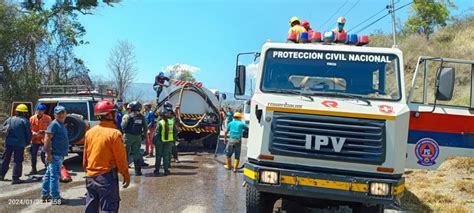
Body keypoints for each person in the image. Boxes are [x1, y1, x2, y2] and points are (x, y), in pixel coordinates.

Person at [83, 100, 130, 213]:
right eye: (114, 113)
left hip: (90, 176)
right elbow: (120, 158)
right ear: (109, 115)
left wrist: (88, 171)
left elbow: (86, 156)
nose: (116, 115)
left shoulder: (90, 132)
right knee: (108, 209)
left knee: (90, 208)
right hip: (106, 178)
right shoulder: (114, 134)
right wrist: (125, 174)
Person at [41, 106, 69, 204]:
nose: (61, 115)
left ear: (65, 113)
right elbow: (47, 139)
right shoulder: (54, 124)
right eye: (58, 113)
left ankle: (45, 195)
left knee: (49, 175)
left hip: (58, 155)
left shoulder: (60, 124)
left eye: (62, 113)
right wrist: (49, 154)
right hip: (55, 155)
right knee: (55, 176)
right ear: (54, 115)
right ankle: (56, 198)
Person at [0, 104, 32, 184]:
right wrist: (27, 142)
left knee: (5, 159)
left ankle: (1, 175)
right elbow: (28, 134)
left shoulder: (9, 119)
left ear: (16, 111)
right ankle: (15, 178)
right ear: (24, 113)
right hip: (19, 144)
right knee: (17, 160)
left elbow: (2, 129)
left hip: (8, 143)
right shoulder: (24, 121)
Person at [122, 101, 147, 176]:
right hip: (138, 137)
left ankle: (125, 171)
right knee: (137, 153)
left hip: (127, 137)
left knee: (125, 153)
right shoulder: (142, 116)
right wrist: (143, 136)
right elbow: (145, 127)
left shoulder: (127, 116)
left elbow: (123, 125)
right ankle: (138, 171)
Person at [28, 104, 52, 175]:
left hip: (44, 139)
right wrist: (33, 132)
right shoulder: (32, 118)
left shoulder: (48, 118)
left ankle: (47, 167)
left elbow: (50, 128)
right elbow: (29, 128)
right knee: (33, 154)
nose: (39, 112)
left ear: (44, 111)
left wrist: (44, 131)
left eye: (41, 110)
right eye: (38, 110)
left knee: (43, 154)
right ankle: (33, 169)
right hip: (35, 139)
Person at [153, 110, 177, 176]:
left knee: (158, 156)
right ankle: (166, 170)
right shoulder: (172, 122)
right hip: (169, 142)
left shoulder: (160, 123)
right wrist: (172, 139)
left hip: (160, 141)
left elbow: (157, 134)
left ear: (161, 116)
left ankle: (157, 170)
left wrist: (154, 142)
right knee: (166, 156)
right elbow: (175, 132)